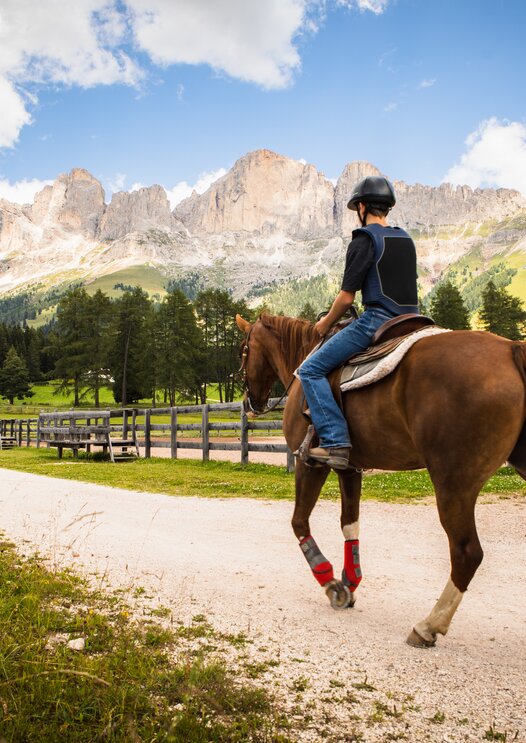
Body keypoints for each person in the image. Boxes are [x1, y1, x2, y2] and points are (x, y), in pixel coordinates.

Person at [297, 175, 419, 470]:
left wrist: (325, 323)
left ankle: (335, 441)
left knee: (310, 370)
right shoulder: (405, 239)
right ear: (386, 208)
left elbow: (346, 298)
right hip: (414, 320)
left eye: (357, 209)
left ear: (362, 207)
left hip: (378, 320)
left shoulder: (364, 239)